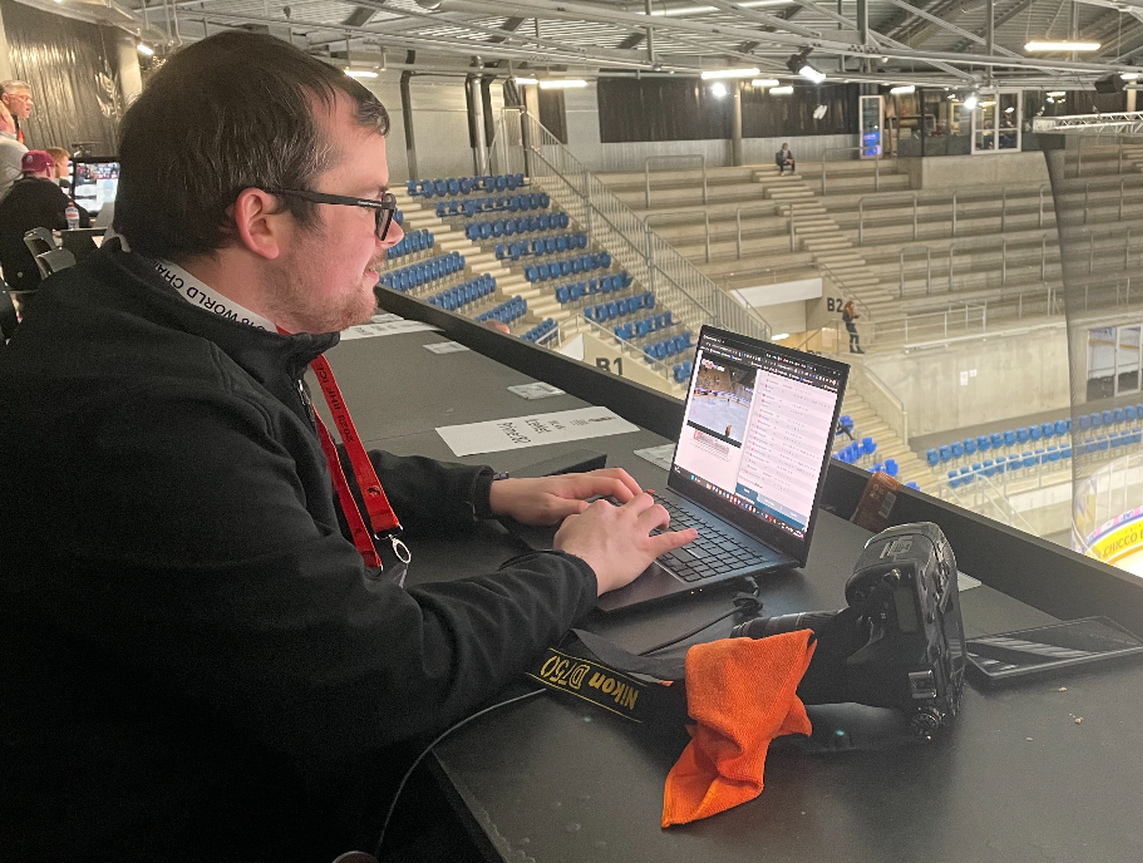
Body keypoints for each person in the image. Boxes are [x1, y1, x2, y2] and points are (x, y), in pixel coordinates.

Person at [0, 31, 697, 861]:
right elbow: (384, 675)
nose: (392, 233)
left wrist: (483, 493)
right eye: (371, 205)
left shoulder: (136, 320)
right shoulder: (145, 412)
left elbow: (270, 472)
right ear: (261, 219)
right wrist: (578, 568)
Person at [0, 149, 90, 296]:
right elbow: (82, 217)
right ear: (49, 169)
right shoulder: (46, 188)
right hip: (38, 274)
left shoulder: (9, 193)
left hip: (13, 276)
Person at [0, 79, 32, 145]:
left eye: (30, 99)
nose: (30, 103)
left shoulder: (14, 123)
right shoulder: (2, 122)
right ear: (6, 98)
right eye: (24, 98)